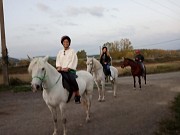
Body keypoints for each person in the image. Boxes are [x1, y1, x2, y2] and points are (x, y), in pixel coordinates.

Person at [56, 35, 81, 104]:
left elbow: (74, 60)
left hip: (70, 70)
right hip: (61, 70)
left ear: (69, 43)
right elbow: (58, 60)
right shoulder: (60, 52)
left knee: (72, 79)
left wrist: (68, 68)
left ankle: (77, 95)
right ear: (62, 43)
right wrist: (59, 67)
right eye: (64, 42)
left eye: (67, 42)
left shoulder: (72, 51)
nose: (66, 43)